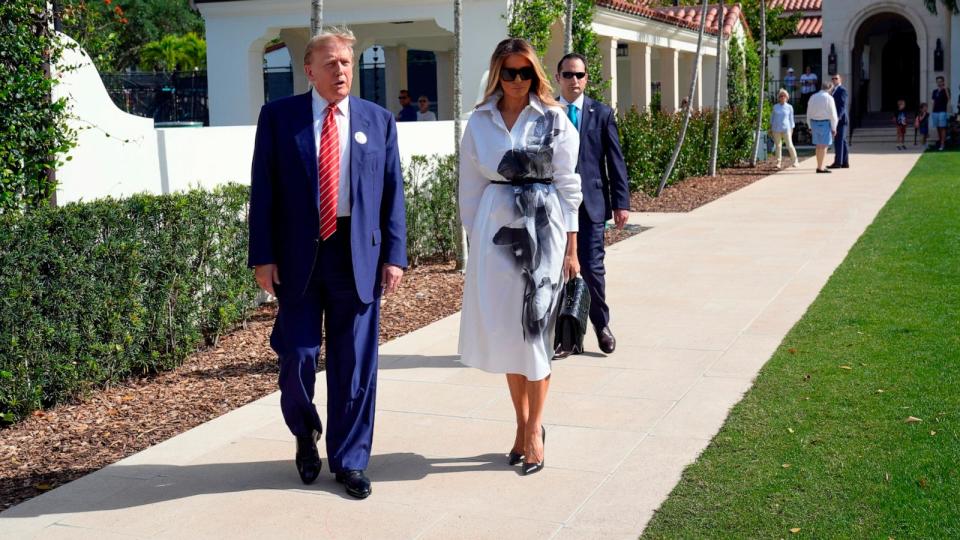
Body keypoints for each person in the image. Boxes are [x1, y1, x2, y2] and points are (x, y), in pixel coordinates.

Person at [248, 27, 407, 498]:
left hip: (356, 256)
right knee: (296, 355)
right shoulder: (279, 118)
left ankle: (351, 461)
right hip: (299, 258)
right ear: (310, 69)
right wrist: (263, 257)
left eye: (347, 62)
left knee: (354, 364)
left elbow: (393, 193)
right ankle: (305, 430)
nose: (341, 71)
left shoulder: (377, 121)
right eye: (332, 63)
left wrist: (394, 255)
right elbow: (264, 191)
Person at [458, 38, 581, 476]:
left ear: (535, 75)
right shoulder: (480, 121)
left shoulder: (554, 117)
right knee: (511, 337)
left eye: (524, 72)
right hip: (497, 237)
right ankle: (521, 425)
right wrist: (474, 244)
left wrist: (571, 248)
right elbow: (469, 188)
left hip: (544, 233)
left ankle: (534, 432)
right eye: (508, 72)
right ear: (497, 73)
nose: (516, 81)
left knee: (536, 333)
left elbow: (568, 184)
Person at [554, 52, 629, 354]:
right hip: (554, 206)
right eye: (569, 74)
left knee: (593, 269)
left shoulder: (601, 113)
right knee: (557, 270)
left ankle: (601, 324)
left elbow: (615, 161)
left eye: (580, 75)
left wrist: (621, 202)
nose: (575, 80)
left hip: (592, 205)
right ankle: (565, 334)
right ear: (557, 77)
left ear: (586, 78)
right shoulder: (546, 113)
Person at [806, 81, 838, 173]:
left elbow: (808, 112)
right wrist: (834, 128)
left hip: (814, 123)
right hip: (825, 123)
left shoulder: (813, 97)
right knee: (824, 146)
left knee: (818, 146)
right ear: (830, 88)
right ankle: (821, 167)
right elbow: (833, 115)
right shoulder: (829, 98)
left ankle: (819, 166)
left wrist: (809, 126)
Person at [770, 88, 798, 168]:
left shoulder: (789, 107)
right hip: (776, 129)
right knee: (778, 146)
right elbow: (772, 118)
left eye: (784, 96)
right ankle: (778, 162)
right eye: (781, 96)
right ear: (778, 97)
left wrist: (792, 129)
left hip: (786, 129)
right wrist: (771, 128)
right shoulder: (775, 107)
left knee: (789, 145)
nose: (782, 97)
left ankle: (795, 161)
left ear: (787, 97)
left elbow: (791, 120)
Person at [828, 74, 849, 168]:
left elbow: (842, 107)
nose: (834, 80)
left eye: (836, 78)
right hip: (836, 119)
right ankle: (845, 162)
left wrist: (837, 119)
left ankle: (838, 163)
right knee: (842, 141)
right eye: (832, 78)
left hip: (840, 120)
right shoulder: (833, 90)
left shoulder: (842, 90)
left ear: (840, 79)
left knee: (839, 141)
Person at [931, 76, 951, 151]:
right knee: (938, 127)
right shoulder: (934, 91)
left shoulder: (946, 89)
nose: (939, 83)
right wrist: (932, 112)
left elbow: (948, 98)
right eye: (938, 81)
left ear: (943, 82)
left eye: (940, 81)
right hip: (935, 111)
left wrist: (945, 89)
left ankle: (942, 144)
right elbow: (933, 102)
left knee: (942, 128)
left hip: (942, 111)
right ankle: (940, 142)